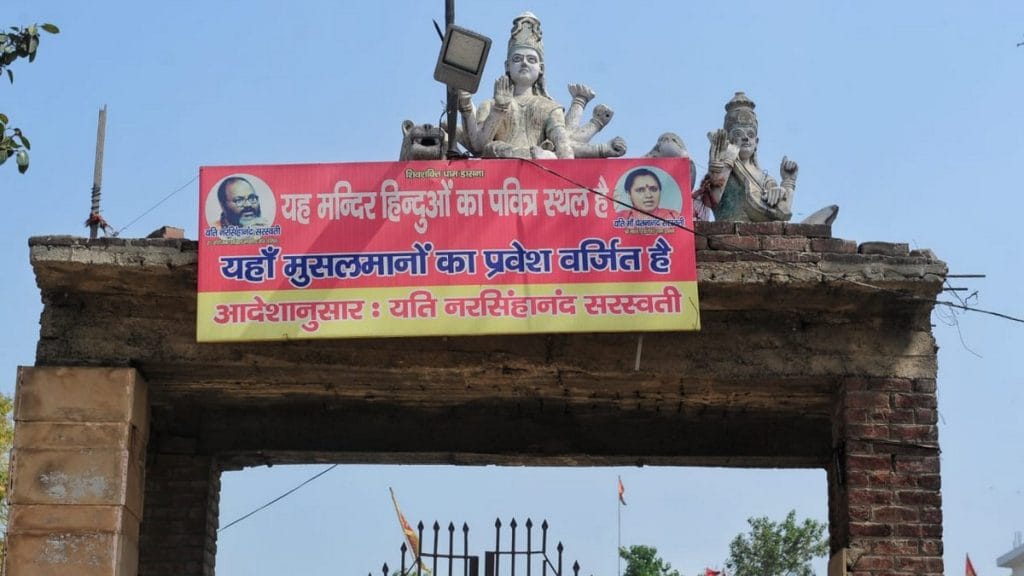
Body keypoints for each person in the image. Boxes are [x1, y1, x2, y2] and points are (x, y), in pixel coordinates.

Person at [458, 12, 574, 159]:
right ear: (507, 66)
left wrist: (550, 157)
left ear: (541, 68)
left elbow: (565, 151)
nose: (524, 63)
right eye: (517, 59)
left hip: (541, 171)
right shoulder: (490, 105)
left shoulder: (550, 108)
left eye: (531, 59)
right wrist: (499, 109)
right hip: (500, 174)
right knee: (494, 147)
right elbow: (479, 147)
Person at [695, 92, 797, 222]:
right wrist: (725, 161)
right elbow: (713, 200)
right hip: (726, 232)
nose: (745, 138)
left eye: (750, 134)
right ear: (729, 139)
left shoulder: (765, 179)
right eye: (738, 133)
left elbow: (784, 211)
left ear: (756, 142)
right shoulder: (723, 169)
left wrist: (788, 182)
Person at [619, 167, 683, 222]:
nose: (649, 195)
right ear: (629, 194)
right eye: (641, 190)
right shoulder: (620, 218)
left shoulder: (674, 216)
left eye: (653, 189)